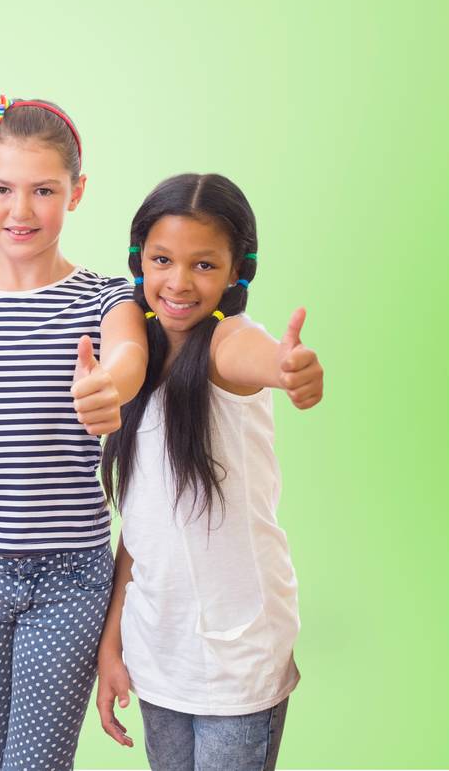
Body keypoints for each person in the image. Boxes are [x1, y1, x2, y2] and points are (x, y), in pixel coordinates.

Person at [0, 95, 148, 771]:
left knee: (36, 763)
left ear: (76, 192)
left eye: (44, 190)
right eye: (3, 189)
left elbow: (128, 354)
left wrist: (109, 387)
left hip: (70, 576)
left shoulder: (107, 296)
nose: (21, 211)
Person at [94, 173, 322, 771]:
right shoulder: (136, 360)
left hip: (238, 656)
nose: (177, 282)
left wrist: (287, 366)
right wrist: (113, 643)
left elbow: (257, 354)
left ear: (235, 272)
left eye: (204, 265)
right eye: (162, 259)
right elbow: (141, 530)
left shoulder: (228, 343)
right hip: (159, 648)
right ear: (137, 259)